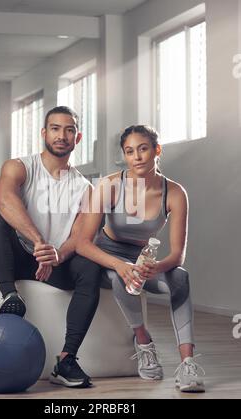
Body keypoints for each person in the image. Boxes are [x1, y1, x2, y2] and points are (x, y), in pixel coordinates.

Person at [76, 125, 205, 393]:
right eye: (129, 151)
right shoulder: (109, 185)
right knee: (119, 277)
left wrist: (156, 267)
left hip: (144, 259)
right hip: (107, 257)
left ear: (157, 151)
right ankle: (144, 344)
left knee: (180, 277)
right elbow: (82, 244)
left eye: (143, 149)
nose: (136, 157)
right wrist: (119, 265)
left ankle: (188, 364)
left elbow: (178, 255)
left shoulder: (176, 193)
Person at [0, 106, 102, 389]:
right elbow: (4, 199)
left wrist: (57, 254)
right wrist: (39, 242)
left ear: (78, 137)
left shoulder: (86, 188)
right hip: (23, 255)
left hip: (56, 263)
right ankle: (11, 296)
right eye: (55, 128)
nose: (62, 135)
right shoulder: (20, 166)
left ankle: (66, 360)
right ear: (44, 133)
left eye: (69, 129)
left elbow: (80, 236)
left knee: (90, 265)